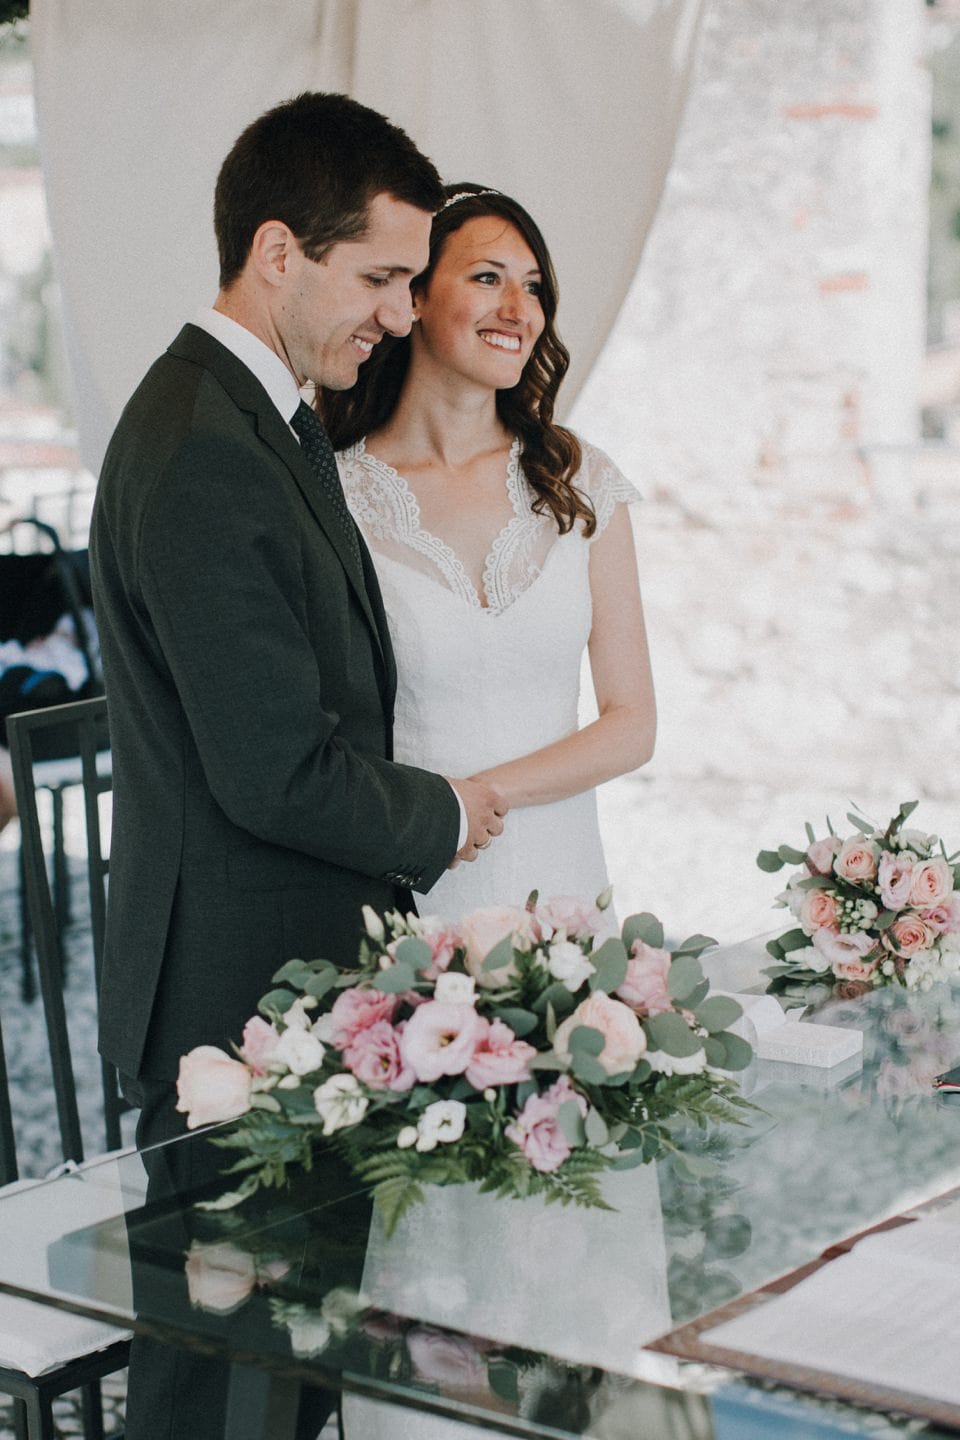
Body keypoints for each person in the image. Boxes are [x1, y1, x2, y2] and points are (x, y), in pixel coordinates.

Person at [89, 98, 506, 1440]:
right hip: (232, 1000)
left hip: (283, 983)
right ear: (279, 250)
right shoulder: (206, 449)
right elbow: (273, 771)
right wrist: (447, 810)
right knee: (217, 1388)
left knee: (284, 1375)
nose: (399, 312)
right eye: (380, 277)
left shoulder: (258, 417)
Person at [324, 182, 656, 924]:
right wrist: (433, 823)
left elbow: (632, 721)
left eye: (533, 287)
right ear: (412, 298)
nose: (519, 309)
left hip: (563, 889)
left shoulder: (581, 481)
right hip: (412, 894)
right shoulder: (334, 495)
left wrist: (472, 802)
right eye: (487, 278)